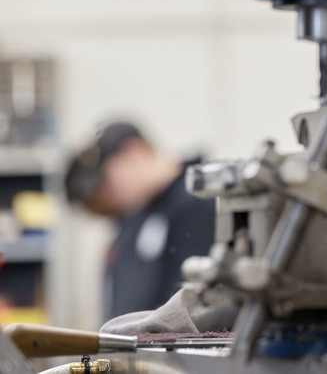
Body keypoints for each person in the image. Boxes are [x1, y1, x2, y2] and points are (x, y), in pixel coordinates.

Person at [64, 121, 216, 322]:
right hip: (132, 349)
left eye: (105, 181)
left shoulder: (200, 200)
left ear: (132, 153)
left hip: (180, 348)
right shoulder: (135, 217)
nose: (106, 195)